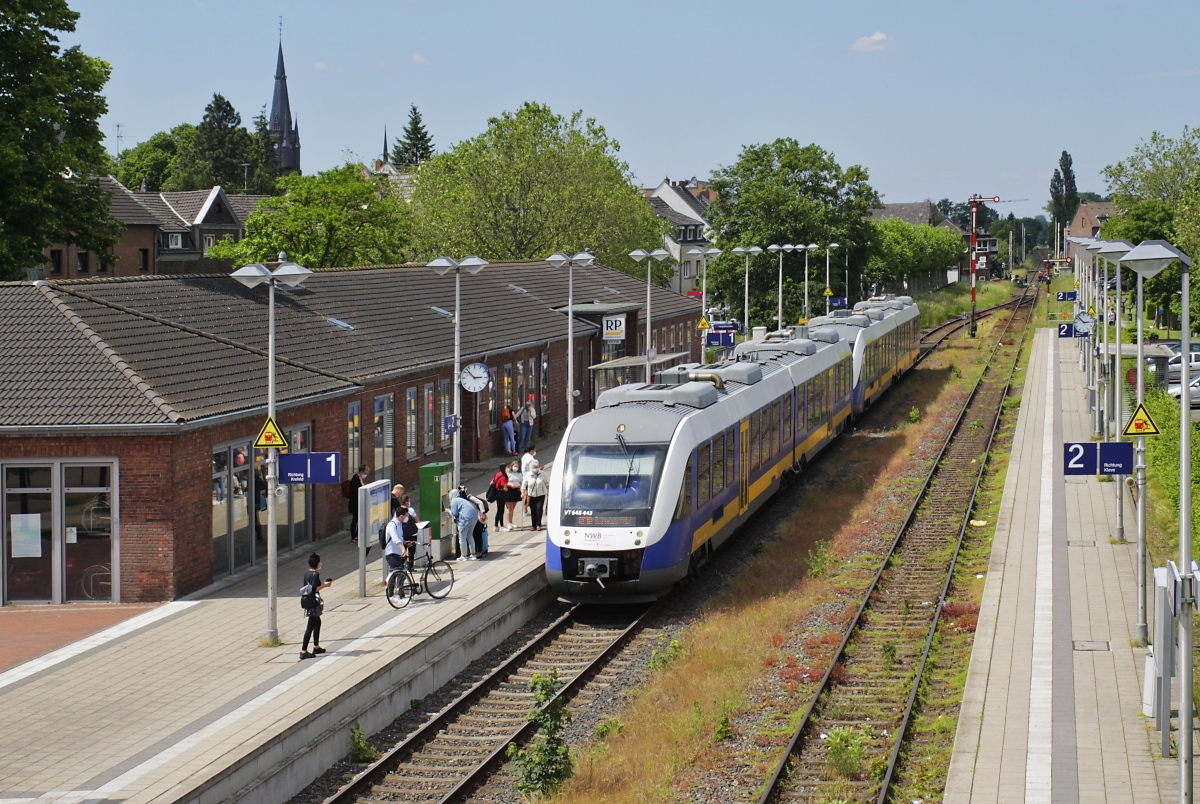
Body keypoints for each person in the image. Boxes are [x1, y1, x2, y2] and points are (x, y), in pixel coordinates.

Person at [300, 553, 332, 660]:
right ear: (318, 564)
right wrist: (325, 585)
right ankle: (303, 651)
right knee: (310, 626)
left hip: (307, 601)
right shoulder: (315, 575)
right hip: (313, 602)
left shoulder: (306, 574)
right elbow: (315, 589)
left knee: (317, 622)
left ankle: (316, 646)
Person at [445, 491, 479, 562]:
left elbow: (454, 513)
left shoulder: (454, 501)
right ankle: (473, 555)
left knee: (462, 538)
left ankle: (464, 556)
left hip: (465, 520)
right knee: (470, 536)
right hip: (474, 518)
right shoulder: (462, 500)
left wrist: (448, 511)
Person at [522, 461, 549, 531]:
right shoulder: (528, 475)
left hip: (541, 494)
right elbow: (523, 485)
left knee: (539, 509)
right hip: (531, 495)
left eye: (537, 467)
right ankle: (533, 525)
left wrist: (549, 492)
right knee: (533, 510)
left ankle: (538, 524)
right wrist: (522, 493)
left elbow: (546, 483)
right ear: (531, 468)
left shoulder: (542, 474)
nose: (536, 469)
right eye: (534, 467)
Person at [383, 510, 409, 576]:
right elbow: (395, 539)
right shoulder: (392, 525)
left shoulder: (399, 524)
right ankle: (398, 586)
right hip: (392, 553)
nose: (407, 517)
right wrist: (403, 548)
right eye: (406, 515)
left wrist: (404, 542)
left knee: (396, 573)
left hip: (398, 553)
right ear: (401, 516)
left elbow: (399, 538)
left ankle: (393, 586)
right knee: (400, 573)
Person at [348, 464, 369, 545]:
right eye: (366, 472)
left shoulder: (359, 478)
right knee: (355, 520)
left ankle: (357, 535)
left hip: (359, 503)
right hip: (355, 504)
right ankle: (353, 537)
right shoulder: (355, 478)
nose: (366, 474)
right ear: (362, 471)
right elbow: (354, 491)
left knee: (359, 520)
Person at [504, 460, 523, 531]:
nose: (516, 467)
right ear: (511, 466)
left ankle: (511, 522)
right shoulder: (508, 473)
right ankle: (508, 523)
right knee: (509, 507)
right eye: (514, 466)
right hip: (509, 490)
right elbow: (504, 482)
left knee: (513, 507)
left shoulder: (519, 474)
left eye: (517, 466)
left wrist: (521, 490)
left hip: (516, 491)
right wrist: (511, 485)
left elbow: (522, 482)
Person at [520, 445, 538, 517]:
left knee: (525, 494)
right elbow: (532, 469)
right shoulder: (531, 459)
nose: (535, 451)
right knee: (529, 495)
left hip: (524, 477)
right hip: (530, 478)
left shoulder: (524, 457)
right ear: (531, 450)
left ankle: (525, 510)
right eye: (534, 450)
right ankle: (527, 510)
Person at [491, 464, 508, 531]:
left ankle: (496, 526)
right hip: (501, 494)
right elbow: (505, 488)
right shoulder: (503, 477)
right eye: (506, 467)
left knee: (499, 509)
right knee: (501, 510)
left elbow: (492, 482)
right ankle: (501, 525)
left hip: (497, 493)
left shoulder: (497, 474)